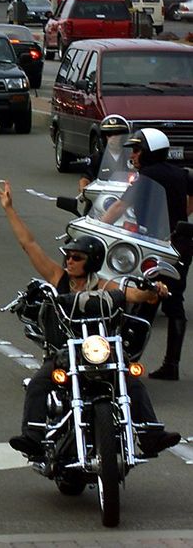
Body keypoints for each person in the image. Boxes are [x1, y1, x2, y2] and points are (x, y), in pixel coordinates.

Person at [0, 180, 181, 459]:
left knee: (131, 379)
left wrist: (154, 291)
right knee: (38, 384)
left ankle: (150, 435)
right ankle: (33, 437)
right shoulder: (59, 279)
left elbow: (133, 294)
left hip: (99, 352)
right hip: (64, 353)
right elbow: (29, 244)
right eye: (68, 256)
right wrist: (9, 209)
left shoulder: (105, 285)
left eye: (76, 257)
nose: (69, 261)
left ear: (91, 261)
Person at [103, 129, 193, 381]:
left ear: (150, 152)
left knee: (144, 297)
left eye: (138, 149)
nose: (133, 154)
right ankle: (171, 364)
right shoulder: (180, 173)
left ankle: (130, 360)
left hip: (155, 244)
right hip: (179, 243)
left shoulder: (146, 177)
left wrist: (98, 228)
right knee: (172, 300)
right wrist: (181, 217)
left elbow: (119, 206)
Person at [78, 114, 131, 192]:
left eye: (116, 134)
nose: (112, 138)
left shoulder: (132, 157)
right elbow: (85, 177)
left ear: (124, 137)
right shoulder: (96, 158)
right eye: (109, 135)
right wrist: (83, 190)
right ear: (104, 138)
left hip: (127, 198)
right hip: (102, 198)